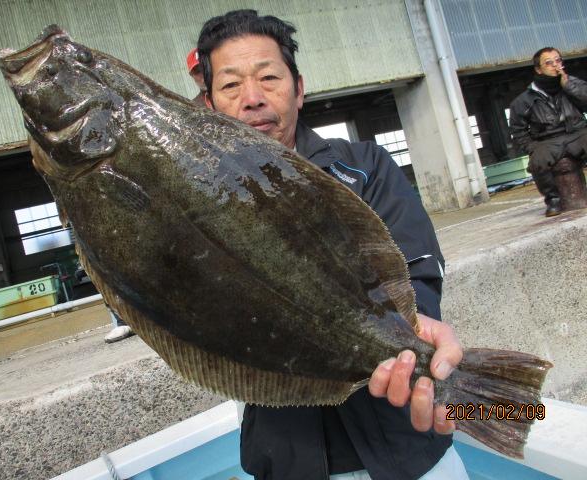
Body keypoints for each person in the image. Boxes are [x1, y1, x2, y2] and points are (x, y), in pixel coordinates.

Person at [196, 10, 467, 480]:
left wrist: (415, 322)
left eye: (268, 78)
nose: (253, 99)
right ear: (209, 103)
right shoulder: (197, 204)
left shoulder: (363, 167)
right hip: (287, 456)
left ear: (298, 89)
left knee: (514, 412)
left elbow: (416, 261)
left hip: (407, 446)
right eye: (231, 86)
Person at [509, 47, 587, 217]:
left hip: (578, 133)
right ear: (538, 69)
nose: (555, 65)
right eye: (549, 63)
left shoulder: (573, 84)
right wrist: (532, 148)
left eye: (558, 60)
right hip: (548, 140)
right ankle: (553, 199)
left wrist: (569, 85)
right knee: (538, 160)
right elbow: (518, 130)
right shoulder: (523, 101)